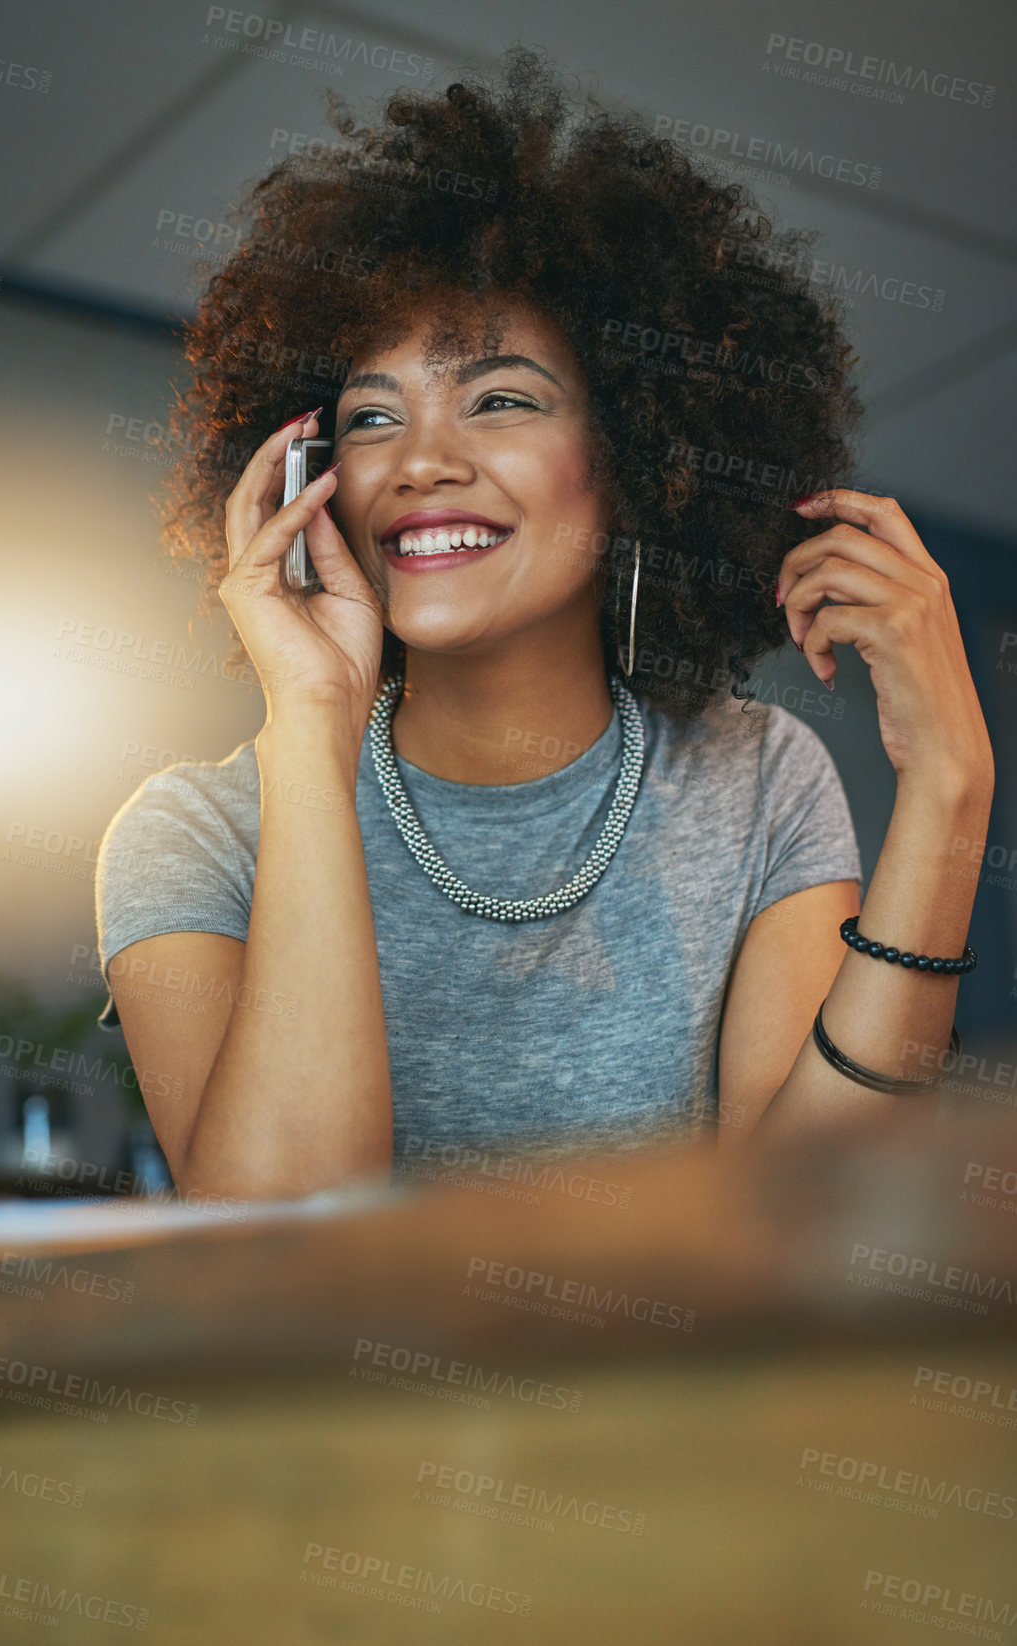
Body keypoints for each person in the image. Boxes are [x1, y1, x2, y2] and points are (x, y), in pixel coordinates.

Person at [94, 48, 994, 1203]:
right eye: (372, 417)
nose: (421, 461)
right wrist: (313, 729)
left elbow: (806, 1229)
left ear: (631, 461)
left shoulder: (759, 779)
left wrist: (953, 787)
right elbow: (282, 1236)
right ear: (313, 478)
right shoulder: (194, 834)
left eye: (500, 398)